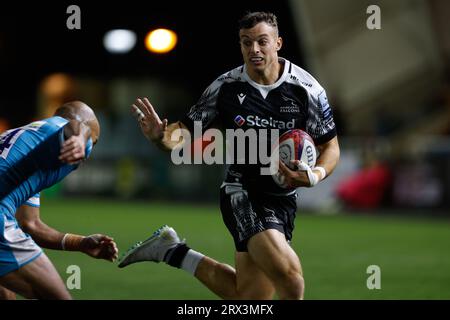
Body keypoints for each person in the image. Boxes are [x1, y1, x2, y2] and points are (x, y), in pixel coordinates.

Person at [119, 12, 340, 300]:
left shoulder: (306, 89)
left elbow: (331, 146)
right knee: (291, 281)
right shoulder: (225, 87)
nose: (254, 50)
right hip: (242, 193)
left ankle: (172, 251)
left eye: (262, 42)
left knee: (249, 298)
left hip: (283, 200)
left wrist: (314, 175)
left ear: (278, 43)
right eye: (246, 43)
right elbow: (182, 133)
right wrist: (161, 136)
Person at [0, 101, 118, 300]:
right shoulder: (56, 129)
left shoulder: (28, 147)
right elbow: (75, 126)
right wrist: (82, 138)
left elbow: (30, 224)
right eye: (94, 143)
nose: (88, 154)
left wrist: (80, 243)